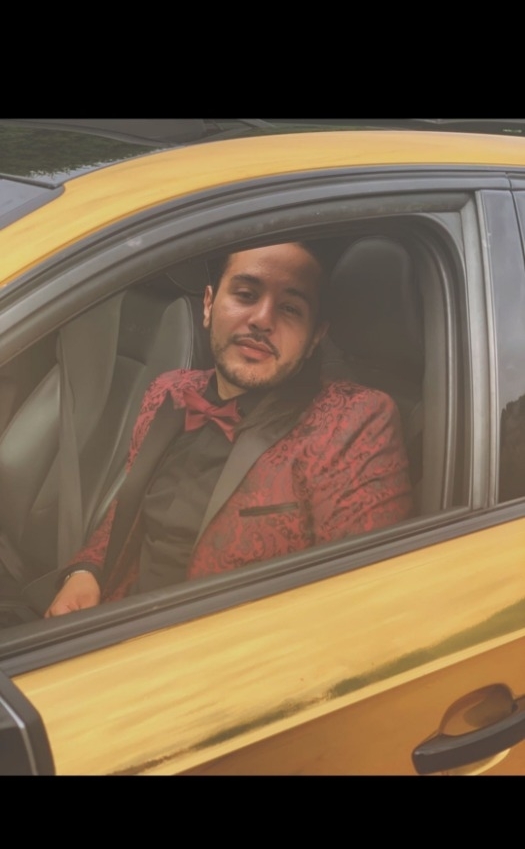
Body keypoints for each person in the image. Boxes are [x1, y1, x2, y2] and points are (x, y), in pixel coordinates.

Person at [45, 241, 413, 617]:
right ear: (208, 305)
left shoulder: (354, 421)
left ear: (315, 337)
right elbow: (126, 507)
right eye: (246, 295)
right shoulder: (168, 391)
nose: (262, 320)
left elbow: (363, 603)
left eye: (290, 308)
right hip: (116, 619)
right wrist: (84, 571)